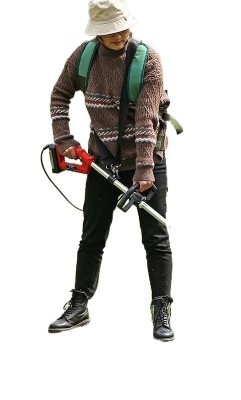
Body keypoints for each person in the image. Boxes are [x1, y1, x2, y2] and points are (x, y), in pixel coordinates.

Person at [48, 0, 174, 341]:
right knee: (92, 237)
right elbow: (59, 95)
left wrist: (144, 170)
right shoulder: (84, 57)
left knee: (156, 238)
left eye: (122, 28)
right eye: (110, 32)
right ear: (97, 34)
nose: (119, 35)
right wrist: (63, 138)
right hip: (102, 159)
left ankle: (161, 308)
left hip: (147, 160)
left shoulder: (147, 60)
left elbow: (146, 120)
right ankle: (79, 304)